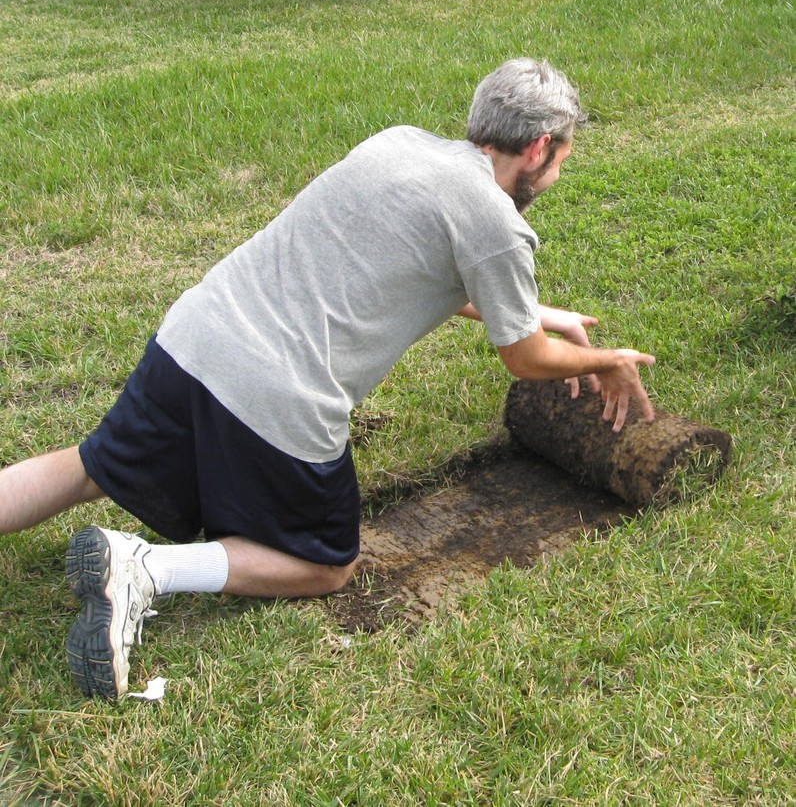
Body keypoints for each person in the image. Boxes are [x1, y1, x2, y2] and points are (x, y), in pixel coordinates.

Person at [0, 58, 655, 700]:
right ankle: (145, 567)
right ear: (540, 147)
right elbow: (526, 359)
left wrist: (537, 314)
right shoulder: (495, 223)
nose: (560, 170)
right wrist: (607, 359)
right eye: (564, 157)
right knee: (326, 563)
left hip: (197, 333)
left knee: (93, 466)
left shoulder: (398, 144)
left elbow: (416, 272)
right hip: (279, 392)